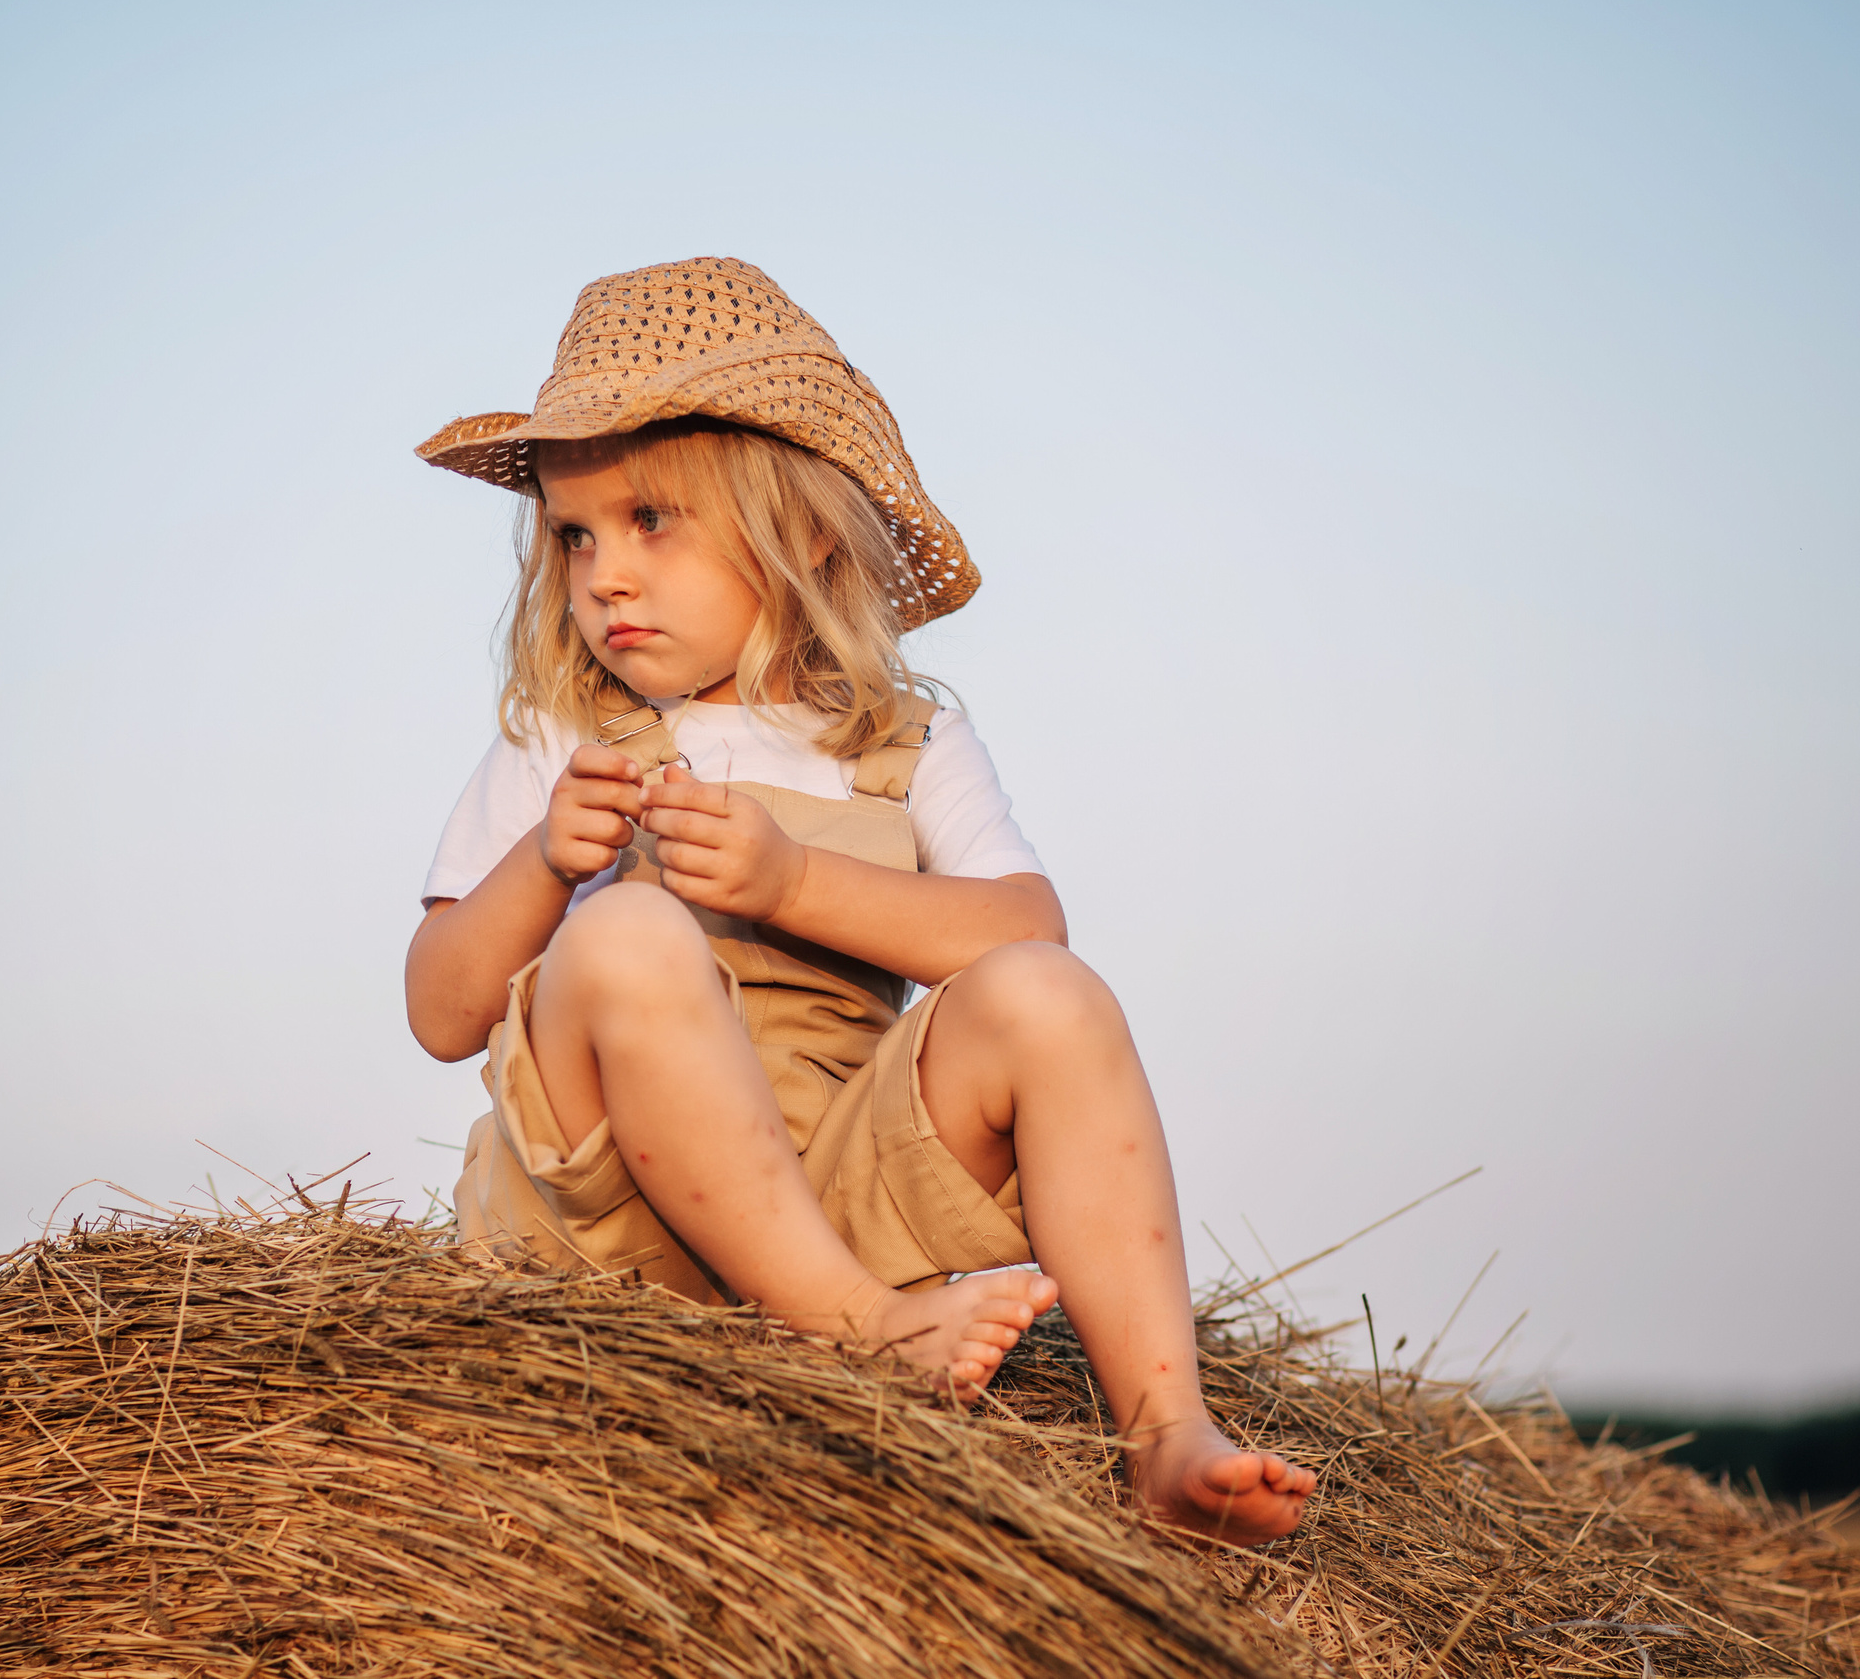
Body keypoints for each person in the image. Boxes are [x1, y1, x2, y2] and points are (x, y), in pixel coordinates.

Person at [405, 258, 1314, 1545]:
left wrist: (795, 880)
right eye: (573, 535)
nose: (605, 575)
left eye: (651, 521)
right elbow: (441, 1011)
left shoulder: (899, 741)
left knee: (1049, 997)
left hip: (826, 1195)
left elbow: (1023, 933)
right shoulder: (565, 736)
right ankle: (862, 1335)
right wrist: (547, 867)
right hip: (608, 1241)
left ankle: (1167, 1433)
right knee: (625, 929)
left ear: (808, 532)